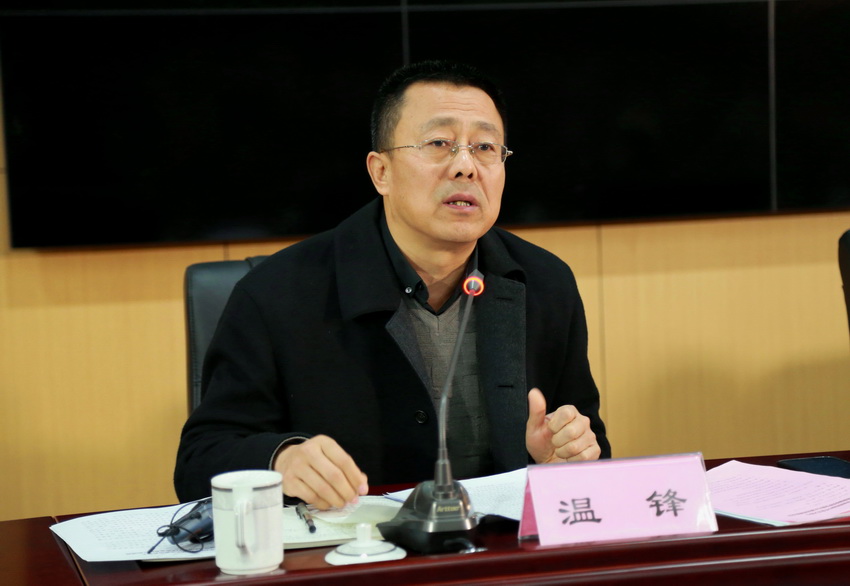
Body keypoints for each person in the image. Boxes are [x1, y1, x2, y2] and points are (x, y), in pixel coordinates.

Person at [174, 60, 610, 509]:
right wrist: (280, 460)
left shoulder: (544, 282)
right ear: (380, 171)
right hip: (352, 544)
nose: (466, 166)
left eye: (485, 147)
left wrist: (561, 456)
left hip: (497, 540)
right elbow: (198, 462)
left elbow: (587, 443)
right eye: (439, 143)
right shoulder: (276, 293)